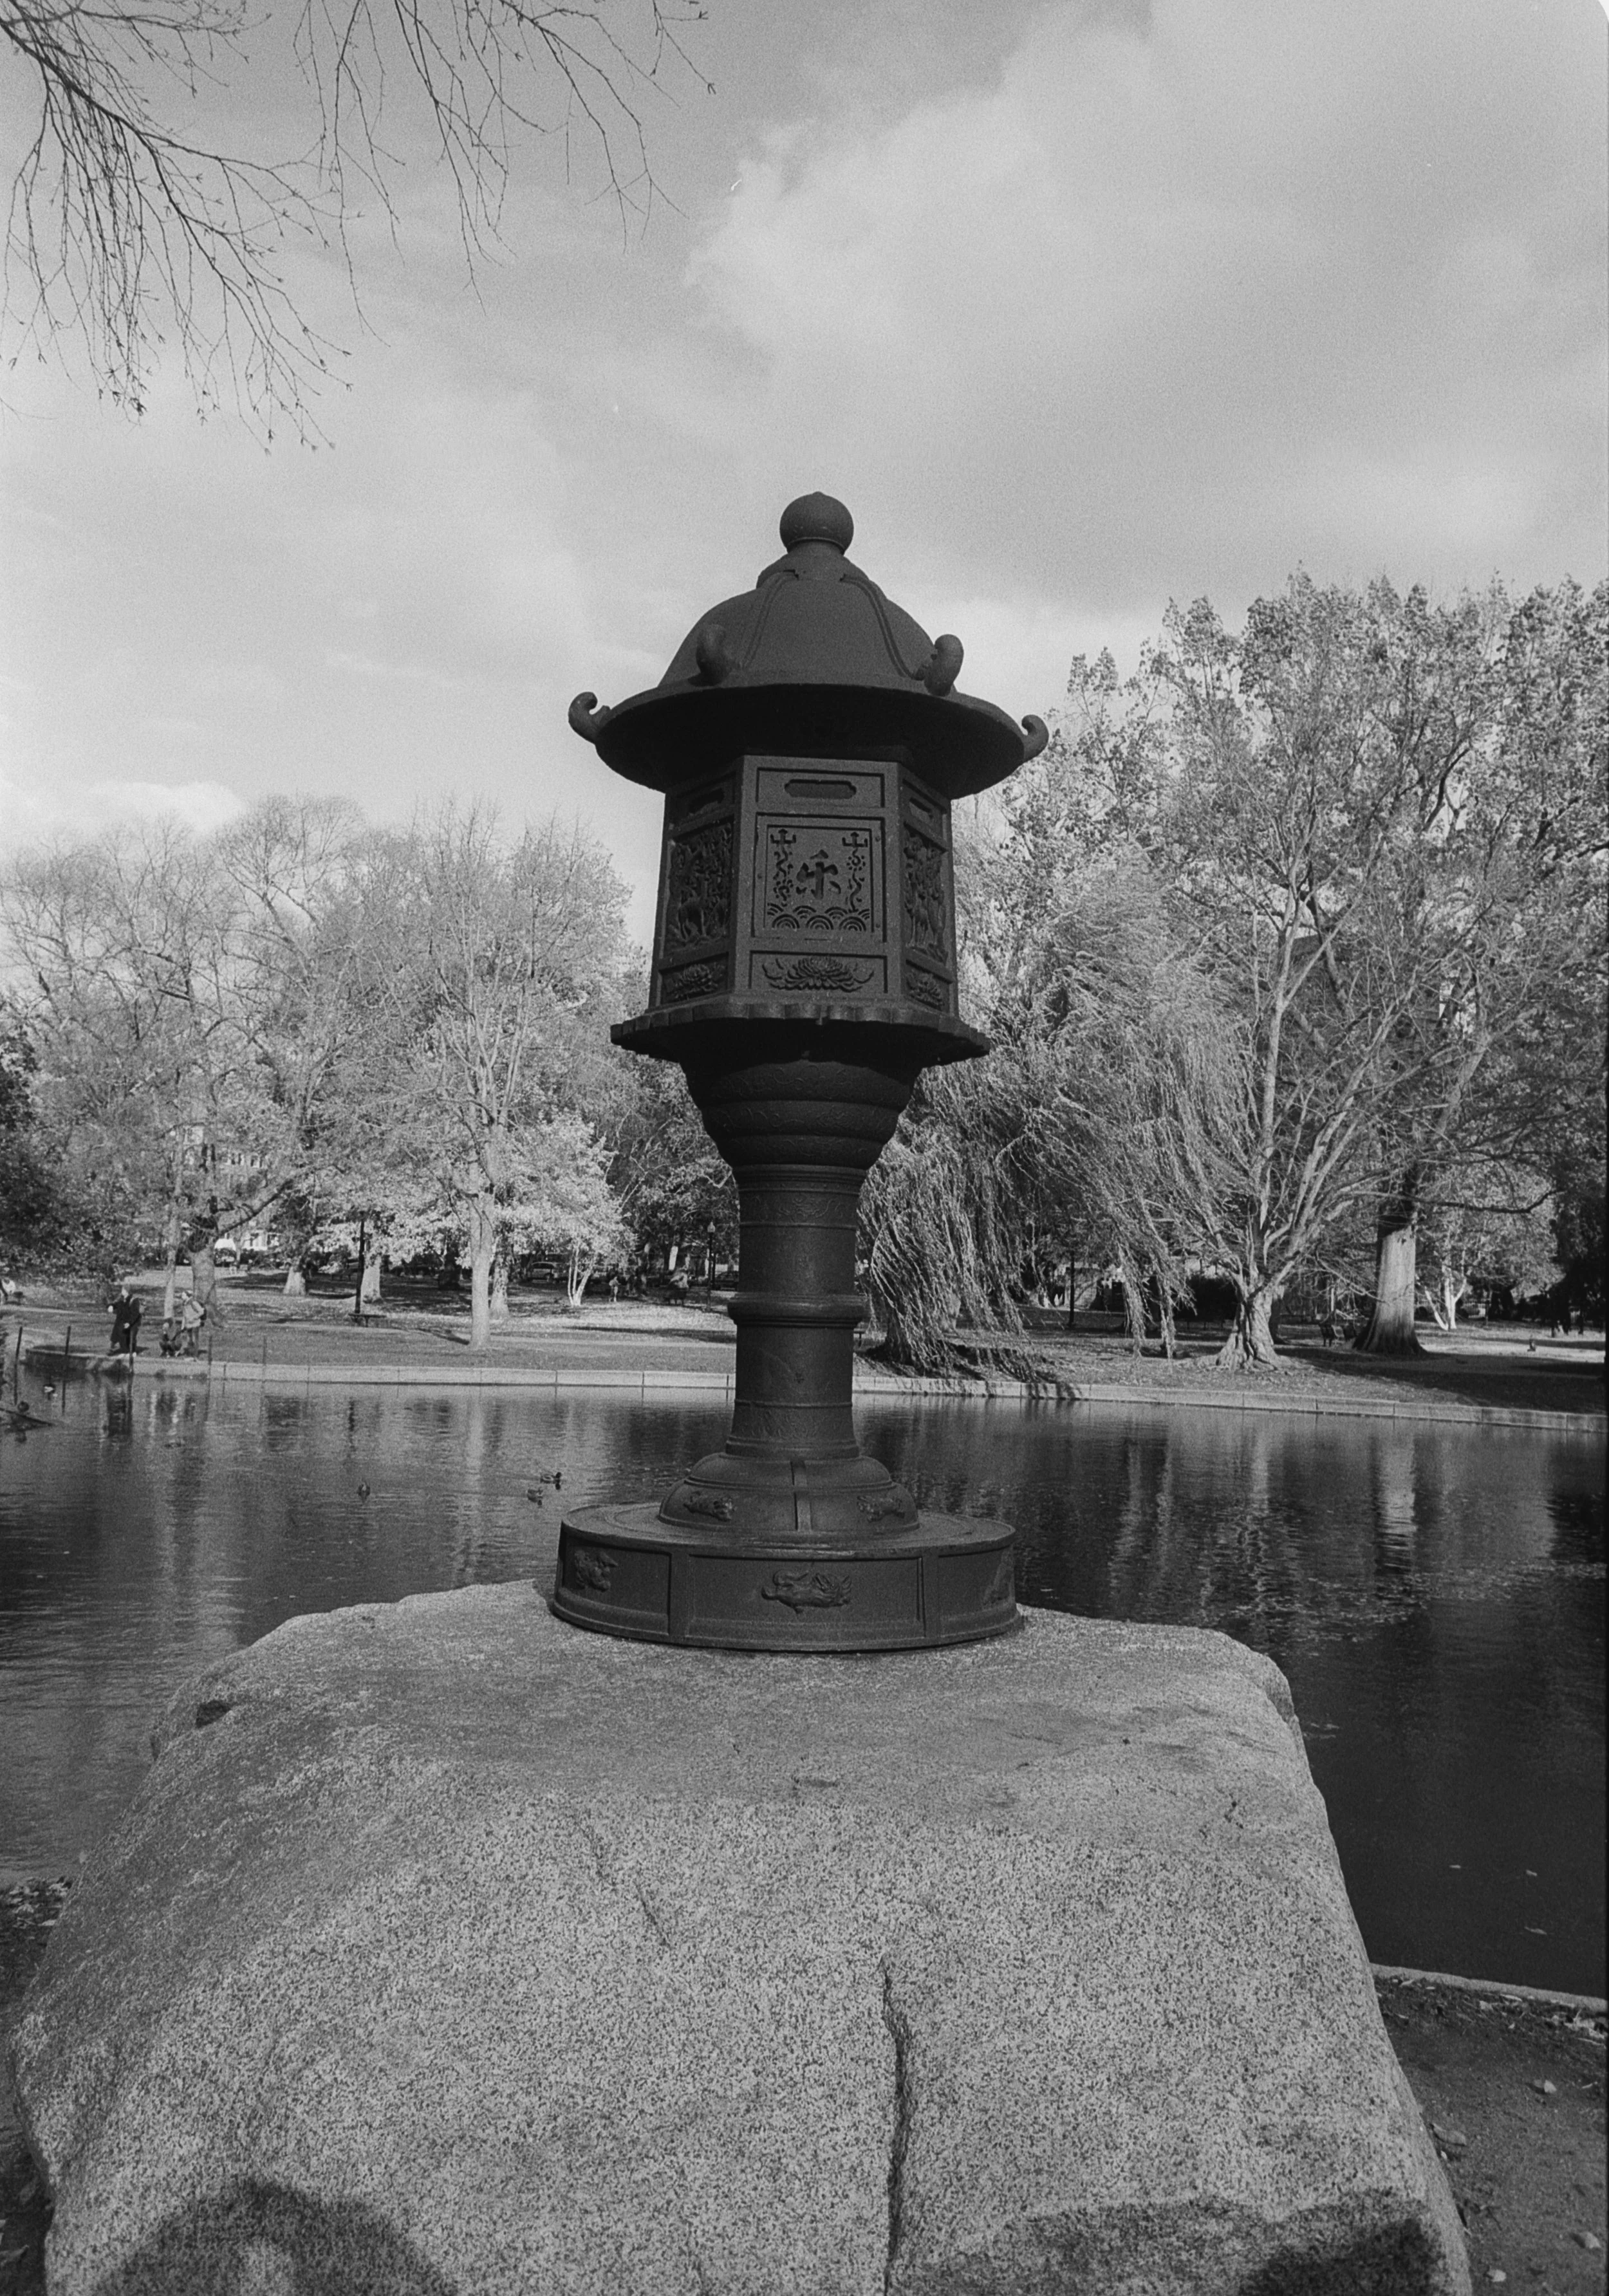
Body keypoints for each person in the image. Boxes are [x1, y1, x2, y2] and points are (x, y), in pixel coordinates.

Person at [108, 1282, 142, 1358]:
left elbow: (135, 1314)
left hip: (132, 1322)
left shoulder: (134, 1300)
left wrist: (129, 1323)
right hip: (121, 1321)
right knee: (119, 1334)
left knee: (129, 1335)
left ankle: (131, 1351)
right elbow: (115, 1304)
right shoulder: (121, 1299)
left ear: (127, 1291)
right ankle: (123, 1350)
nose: (122, 1291)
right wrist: (111, 1306)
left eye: (123, 1290)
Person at [180, 1292, 206, 1357]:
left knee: (195, 1339)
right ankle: (190, 1354)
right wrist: (183, 1326)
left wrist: (194, 1317)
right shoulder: (184, 1304)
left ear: (188, 1296)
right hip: (188, 1325)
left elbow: (201, 1312)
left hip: (195, 1324)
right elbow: (184, 1316)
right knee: (189, 1340)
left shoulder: (193, 1303)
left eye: (183, 1295)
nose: (181, 1296)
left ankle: (195, 1355)